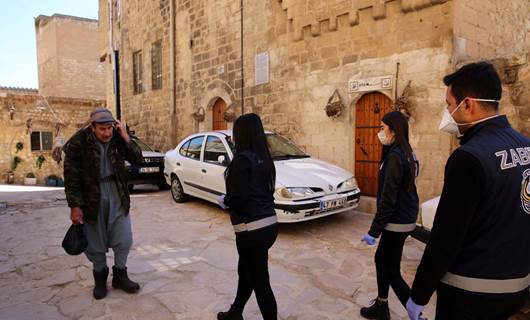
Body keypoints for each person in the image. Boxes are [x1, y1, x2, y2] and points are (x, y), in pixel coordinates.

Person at [406, 61, 530, 320]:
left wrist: (419, 295)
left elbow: (446, 238)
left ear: (468, 105)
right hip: (517, 289)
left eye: (449, 105)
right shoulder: (526, 145)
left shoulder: (469, 157)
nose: (447, 112)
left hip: (470, 295)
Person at [64, 108, 143, 300]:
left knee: (124, 237)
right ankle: (100, 278)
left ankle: (120, 275)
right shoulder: (79, 142)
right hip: (91, 196)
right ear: (93, 127)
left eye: (110, 128)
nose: (107, 133)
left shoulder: (117, 138)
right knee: (95, 241)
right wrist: (75, 206)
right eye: (102, 129)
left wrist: (126, 137)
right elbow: (71, 177)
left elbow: (137, 159)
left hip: (116, 193)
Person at [217, 113, 278, 320]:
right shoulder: (266, 159)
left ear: (241, 134)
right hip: (268, 225)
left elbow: (239, 199)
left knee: (260, 281)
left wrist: (225, 200)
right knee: (246, 271)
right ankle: (236, 311)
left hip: (251, 231)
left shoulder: (242, 161)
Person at [360, 111, 420, 320]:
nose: (379, 132)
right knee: (381, 259)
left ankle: (416, 313)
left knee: (391, 270)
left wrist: (374, 231)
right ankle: (381, 304)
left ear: (393, 131)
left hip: (396, 221)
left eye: (382, 128)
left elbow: (388, 197)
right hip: (404, 217)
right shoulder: (405, 152)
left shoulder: (396, 156)